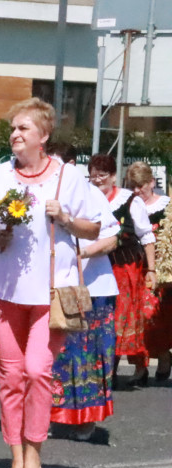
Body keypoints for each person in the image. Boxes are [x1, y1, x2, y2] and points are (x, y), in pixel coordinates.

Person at [0, 98, 101, 468]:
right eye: (13, 129)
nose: (15, 134)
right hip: (5, 291)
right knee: (10, 376)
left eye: (24, 128)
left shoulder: (68, 177)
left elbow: (94, 228)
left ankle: (35, 454)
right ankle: (15, 459)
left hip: (50, 293)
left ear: (42, 136)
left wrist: (66, 219)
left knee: (38, 371)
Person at [48, 142, 118, 441]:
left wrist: (82, 253)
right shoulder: (43, 194)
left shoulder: (90, 195)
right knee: (59, 354)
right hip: (58, 289)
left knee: (90, 356)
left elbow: (111, 238)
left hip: (94, 288)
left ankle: (87, 419)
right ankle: (58, 415)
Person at [88, 154, 157, 387]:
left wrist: (152, 270)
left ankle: (112, 370)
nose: (97, 180)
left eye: (102, 175)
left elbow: (146, 236)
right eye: (93, 175)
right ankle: (104, 368)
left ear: (113, 176)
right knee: (96, 317)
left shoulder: (129, 200)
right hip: (92, 265)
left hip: (123, 266)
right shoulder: (85, 198)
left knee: (119, 317)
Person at [128, 161, 172, 382]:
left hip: (156, 271)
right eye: (133, 186)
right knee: (131, 319)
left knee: (151, 317)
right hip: (132, 268)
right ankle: (139, 367)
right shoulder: (128, 205)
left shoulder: (166, 207)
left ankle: (163, 356)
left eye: (141, 186)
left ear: (151, 183)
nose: (137, 191)